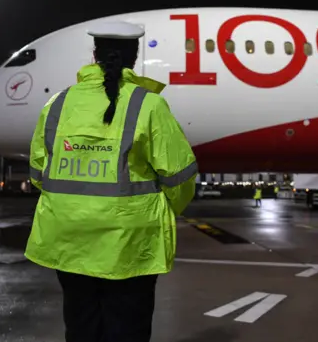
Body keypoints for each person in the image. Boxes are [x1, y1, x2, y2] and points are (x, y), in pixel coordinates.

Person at [24, 21, 198, 342]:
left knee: (80, 329)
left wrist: (76, 204)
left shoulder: (57, 105)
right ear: (134, 58)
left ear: (94, 55)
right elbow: (181, 177)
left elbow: (38, 174)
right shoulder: (149, 105)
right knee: (127, 331)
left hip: (69, 240)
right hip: (131, 244)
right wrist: (162, 210)